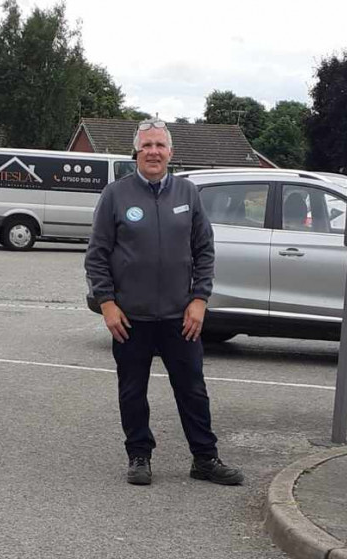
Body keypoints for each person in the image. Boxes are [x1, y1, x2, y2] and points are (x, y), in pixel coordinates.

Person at [84, 119, 244, 487]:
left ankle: (205, 458)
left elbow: (204, 250)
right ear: (136, 153)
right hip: (130, 318)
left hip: (180, 316)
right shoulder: (115, 195)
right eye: (147, 146)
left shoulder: (187, 194)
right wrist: (107, 303)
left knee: (192, 388)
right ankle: (139, 455)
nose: (153, 152)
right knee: (132, 390)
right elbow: (97, 255)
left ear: (170, 153)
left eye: (159, 145)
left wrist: (200, 299)